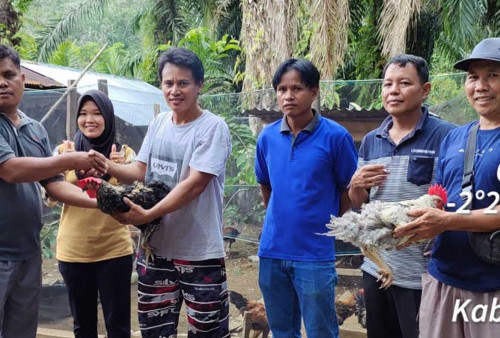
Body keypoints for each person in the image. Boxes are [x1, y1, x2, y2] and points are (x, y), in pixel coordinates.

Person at [103, 47, 231, 337]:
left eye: (183, 83)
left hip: (199, 252)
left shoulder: (213, 128)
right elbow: (139, 171)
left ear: (199, 85)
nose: (175, 90)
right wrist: (105, 165)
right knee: (155, 331)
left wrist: (148, 213)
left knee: (207, 331)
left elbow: (194, 185)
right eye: (168, 83)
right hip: (154, 250)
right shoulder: (159, 123)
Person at [394, 38, 500, 337]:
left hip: (492, 286)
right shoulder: (455, 137)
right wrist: (414, 217)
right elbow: (438, 194)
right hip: (444, 278)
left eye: (492, 75)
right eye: (473, 77)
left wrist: (448, 221)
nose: (481, 86)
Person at [0, 44, 107, 338]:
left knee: (21, 333)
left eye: (8, 74)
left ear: (22, 79)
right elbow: (10, 170)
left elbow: (55, 184)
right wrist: (70, 159)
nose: (1, 82)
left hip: (28, 253)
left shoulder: (35, 128)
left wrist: (104, 203)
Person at [348, 54, 455, 338]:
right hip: (378, 269)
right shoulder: (372, 140)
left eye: (404, 83)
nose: (393, 91)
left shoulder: (448, 137)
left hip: (424, 273)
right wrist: (356, 184)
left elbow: (453, 203)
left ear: (425, 89)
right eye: (387, 84)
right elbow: (360, 204)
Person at [254, 58, 358, 338]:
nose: (288, 96)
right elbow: (266, 185)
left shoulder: (336, 137)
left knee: (320, 331)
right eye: (282, 89)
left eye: (296, 88)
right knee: (282, 331)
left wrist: (326, 221)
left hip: (314, 255)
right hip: (272, 252)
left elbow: (348, 189)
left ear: (314, 91)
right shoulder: (267, 138)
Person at [54, 90, 135, 338]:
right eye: (83, 113)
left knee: (118, 327)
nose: (90, 119)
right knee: (83, 327)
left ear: (108, 117)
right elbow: (50, 196)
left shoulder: (124, 154)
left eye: (97, 113)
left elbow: (133, 198)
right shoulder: (64, 151)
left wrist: (119, 170)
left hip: (114, 250)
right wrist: (64, 164)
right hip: (73, 251)